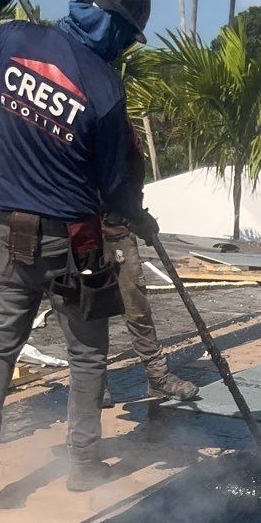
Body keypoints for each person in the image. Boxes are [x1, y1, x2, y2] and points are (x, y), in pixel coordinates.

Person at [0, 0, 185, 505]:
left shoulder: (15, 41)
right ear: (115, 26)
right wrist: (139, 218)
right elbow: (113, 191)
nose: (125, 47)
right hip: (75, 245)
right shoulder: (105, 89)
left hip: (6, 234)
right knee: (87, 354)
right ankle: (83, 463)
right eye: (127, 37)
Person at [100, 122, 198, 408]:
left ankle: (157, 376)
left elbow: (130, 185)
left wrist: (136, 216)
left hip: (119, 233)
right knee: (89, 311)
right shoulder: (83, 124)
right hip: (83, 235)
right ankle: (93, 382)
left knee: (137, 306)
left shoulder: (125, 132)